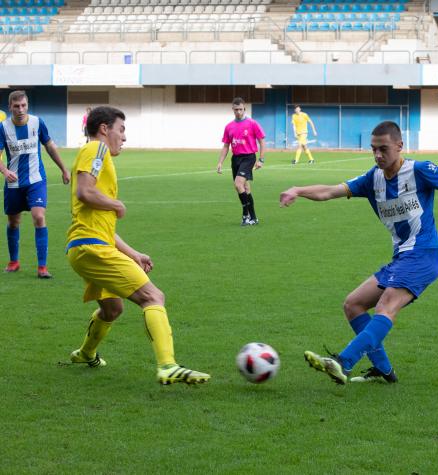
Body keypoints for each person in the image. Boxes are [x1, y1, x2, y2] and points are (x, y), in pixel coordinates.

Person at [280, 121, 438, 385]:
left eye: (383, 149)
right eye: (373, 149)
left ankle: (343, 362)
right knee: (353, 304)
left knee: (386, 305)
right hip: (402, 258)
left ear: (399, 146)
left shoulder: (420, 171)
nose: (377, 155)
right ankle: (384, 371)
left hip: (424, 255)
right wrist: (298, 190)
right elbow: (330, 191)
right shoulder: (371, 179)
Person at [66, 106, 210, 386]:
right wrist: (115, 203)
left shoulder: (98, 154)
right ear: (104, 128)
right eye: (121, 129)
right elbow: (85, 192)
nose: (124, 137)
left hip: (86, 246)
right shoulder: (96, 149)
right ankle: (168, 365)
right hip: (92, 247)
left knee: (112, 309)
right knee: (153, 296)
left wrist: (133, 254)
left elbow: (102, 222)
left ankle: (85, 353)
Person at [0, 90, 70, 278]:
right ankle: (14, 262)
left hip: (36, 179)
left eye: (23, 105)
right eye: (16, 106)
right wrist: (5, 172)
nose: (20, 109)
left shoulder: (37, 123)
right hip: (14, 182)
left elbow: (49, 146)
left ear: (27, 105)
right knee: (13, 222)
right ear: (10, 107)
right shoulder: (3, 128)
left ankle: (42, 267)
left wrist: (64, 169)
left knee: (39, 216)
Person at [216, 97, 266, 226]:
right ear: (232, 110)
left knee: (238, 184)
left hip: (249, 157)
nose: (238, 112)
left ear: (244, 109)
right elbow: (226, 145)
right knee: (245, 188)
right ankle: (253, 218)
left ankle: (245, 214)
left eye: (240, 109)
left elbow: (261, 141)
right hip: (236, 159)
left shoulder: (252, 123)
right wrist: (220, 162)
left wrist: (261, 159)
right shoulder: (229, 127)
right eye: (236, 109)